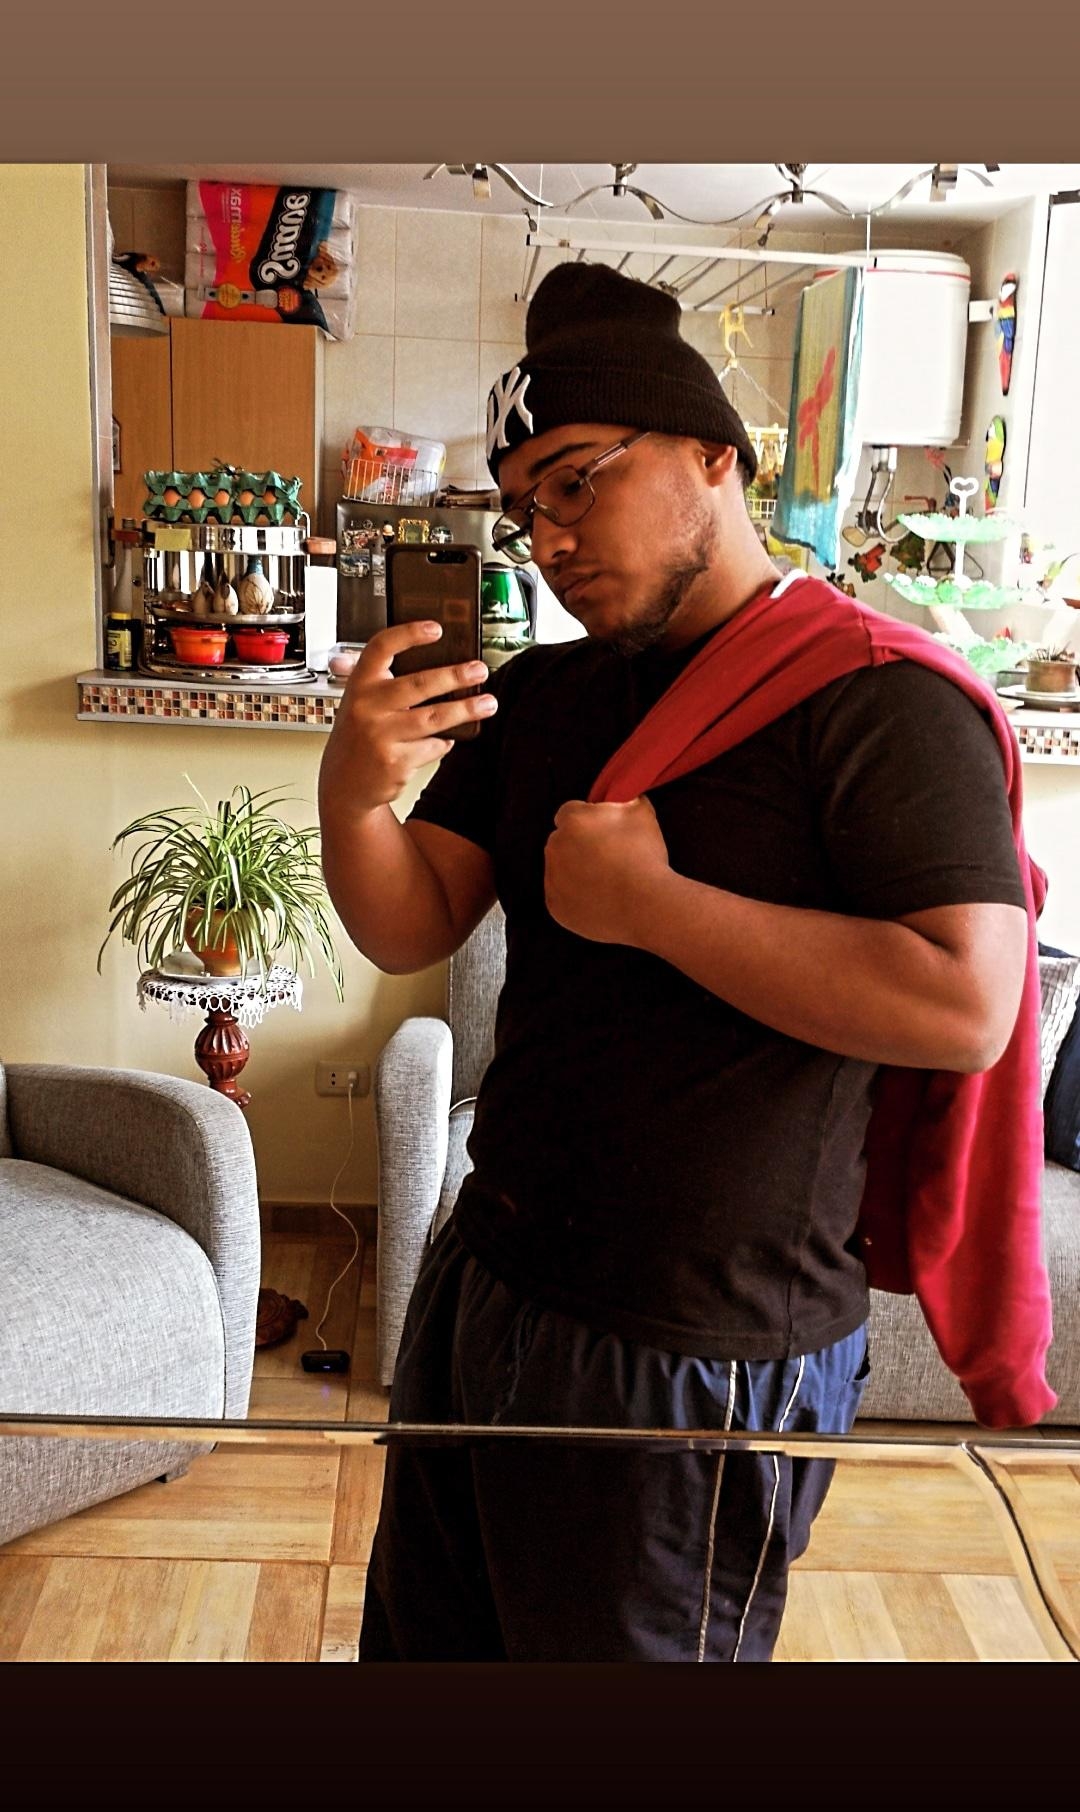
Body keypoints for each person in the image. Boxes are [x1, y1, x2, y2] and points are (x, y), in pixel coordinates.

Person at [318, 263, 1035, 1662]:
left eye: (577, 481)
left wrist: (656, 905)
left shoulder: (877, 702)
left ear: (716, 455)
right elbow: (411, 922)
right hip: (493, 1275)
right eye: (524, 507)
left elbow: (966, 1003)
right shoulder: (545, 693)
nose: (550, 538)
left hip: (699, 1342)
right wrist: (354, 794)